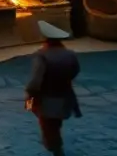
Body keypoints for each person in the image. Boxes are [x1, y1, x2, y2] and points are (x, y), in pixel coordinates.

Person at [25, 21, 80, 156]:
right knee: (56, 123)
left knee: (47, 126)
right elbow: (75, 71)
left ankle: (56, 148)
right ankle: (56, 145)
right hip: (65, 96)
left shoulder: (42, 56)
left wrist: (29, 99)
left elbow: (35, 82)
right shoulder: (70, 54)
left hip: (47, 98)